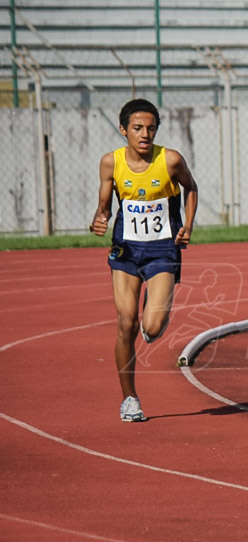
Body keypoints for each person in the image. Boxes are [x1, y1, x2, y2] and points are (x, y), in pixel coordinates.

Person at [89, 98, 198, 422]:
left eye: (151, 128)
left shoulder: (171, 160)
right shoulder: (111, 163)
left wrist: (188, 225)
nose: (145, 134)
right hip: (126, 251)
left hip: (163, 250)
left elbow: (190, 189)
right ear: (123, 130)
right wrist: (100, 218)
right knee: (126, 323)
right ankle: (130, 399)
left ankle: (157, 301)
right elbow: (105, 206)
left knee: (151, 326)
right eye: (137, 128)